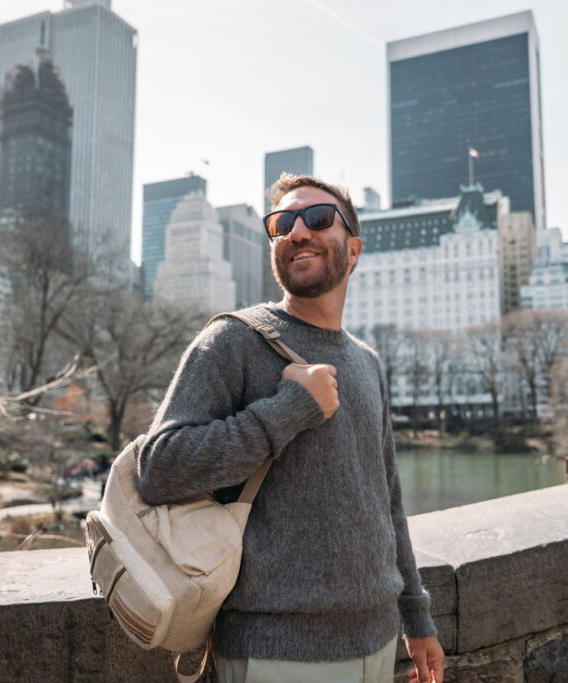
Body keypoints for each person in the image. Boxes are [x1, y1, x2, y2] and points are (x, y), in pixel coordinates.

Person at [138, 173, 445, 683]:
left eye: (319, 219)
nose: (298, 232)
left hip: (378, 640)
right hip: (274, 650)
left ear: (354, 246)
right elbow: (159, 468)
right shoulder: (233, 340)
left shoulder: (367, 363)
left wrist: (417, 616)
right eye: (283, 224)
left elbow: (387, 499)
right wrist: (288, 409)